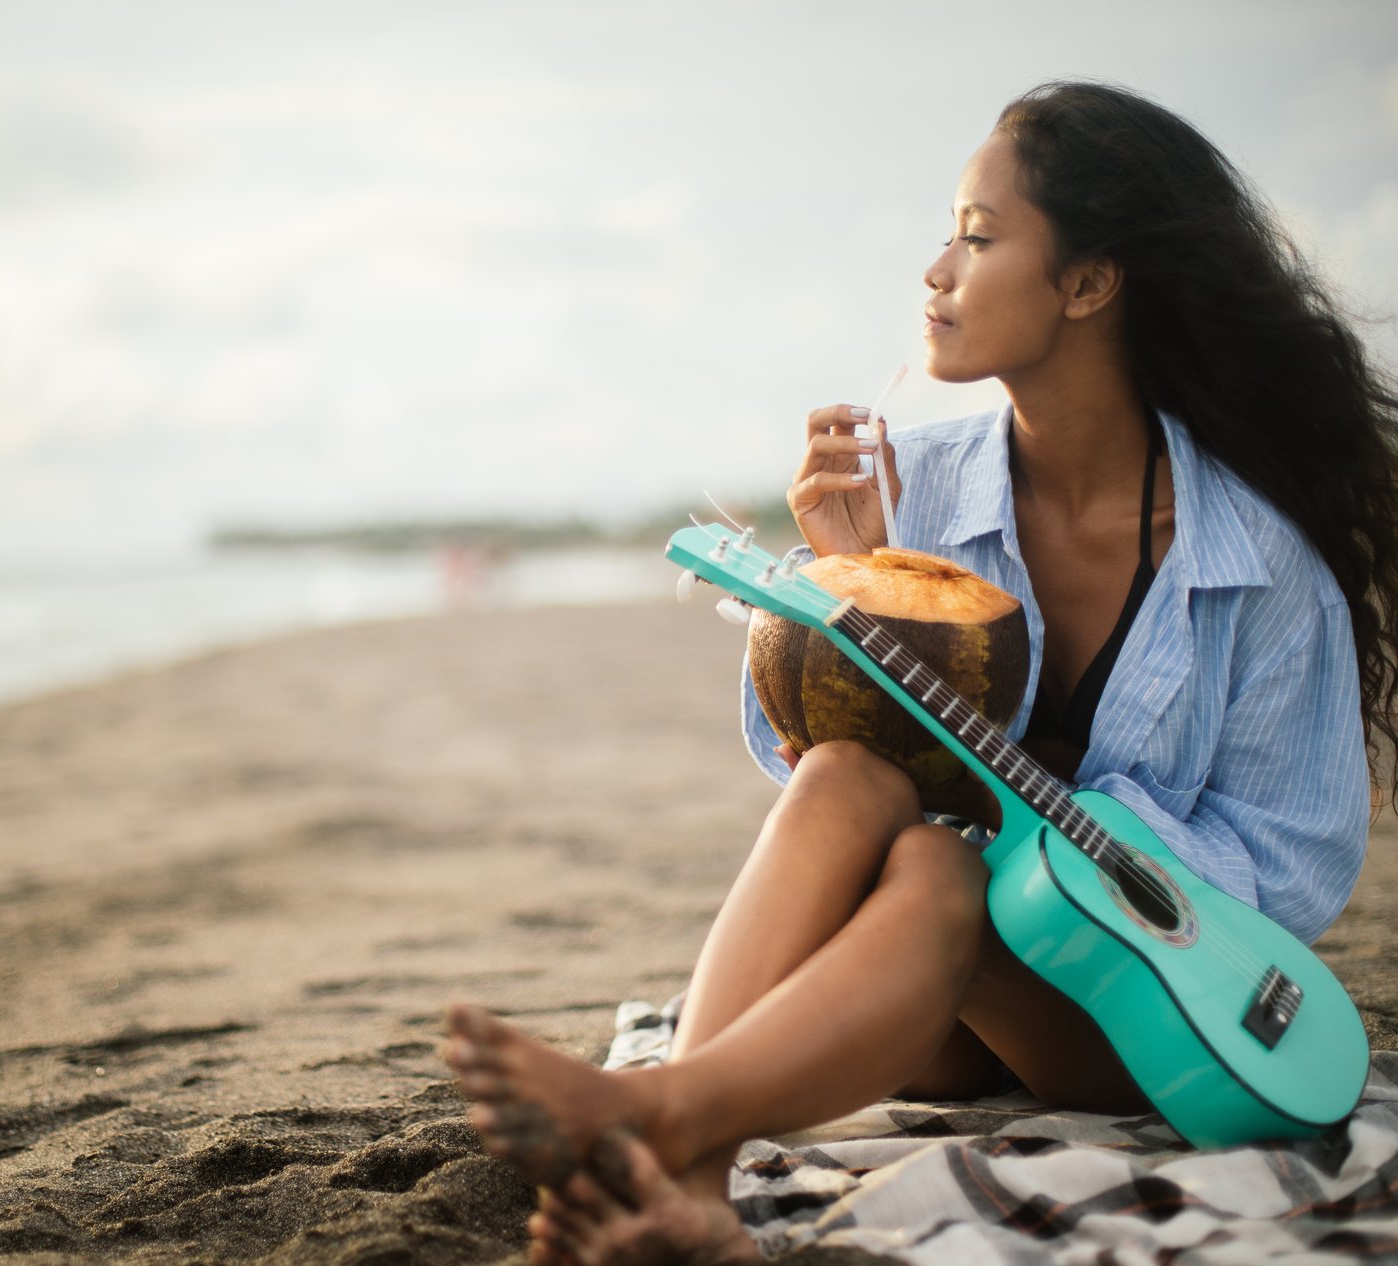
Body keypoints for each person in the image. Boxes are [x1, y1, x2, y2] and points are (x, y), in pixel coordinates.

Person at [442, 79, 1398, 1265]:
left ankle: (661, 1118)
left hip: (1128, 1007)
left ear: (1089, 284)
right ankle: (688, 1177)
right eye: (947, 232)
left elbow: (1295, 866)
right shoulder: (915, 490)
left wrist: (1085, 840)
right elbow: (788, 758)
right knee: (853, 779)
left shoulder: (1255, 561)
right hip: (925, 992)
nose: (935, 268)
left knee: (949, 865)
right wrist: (847, 585)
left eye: (979, 236)